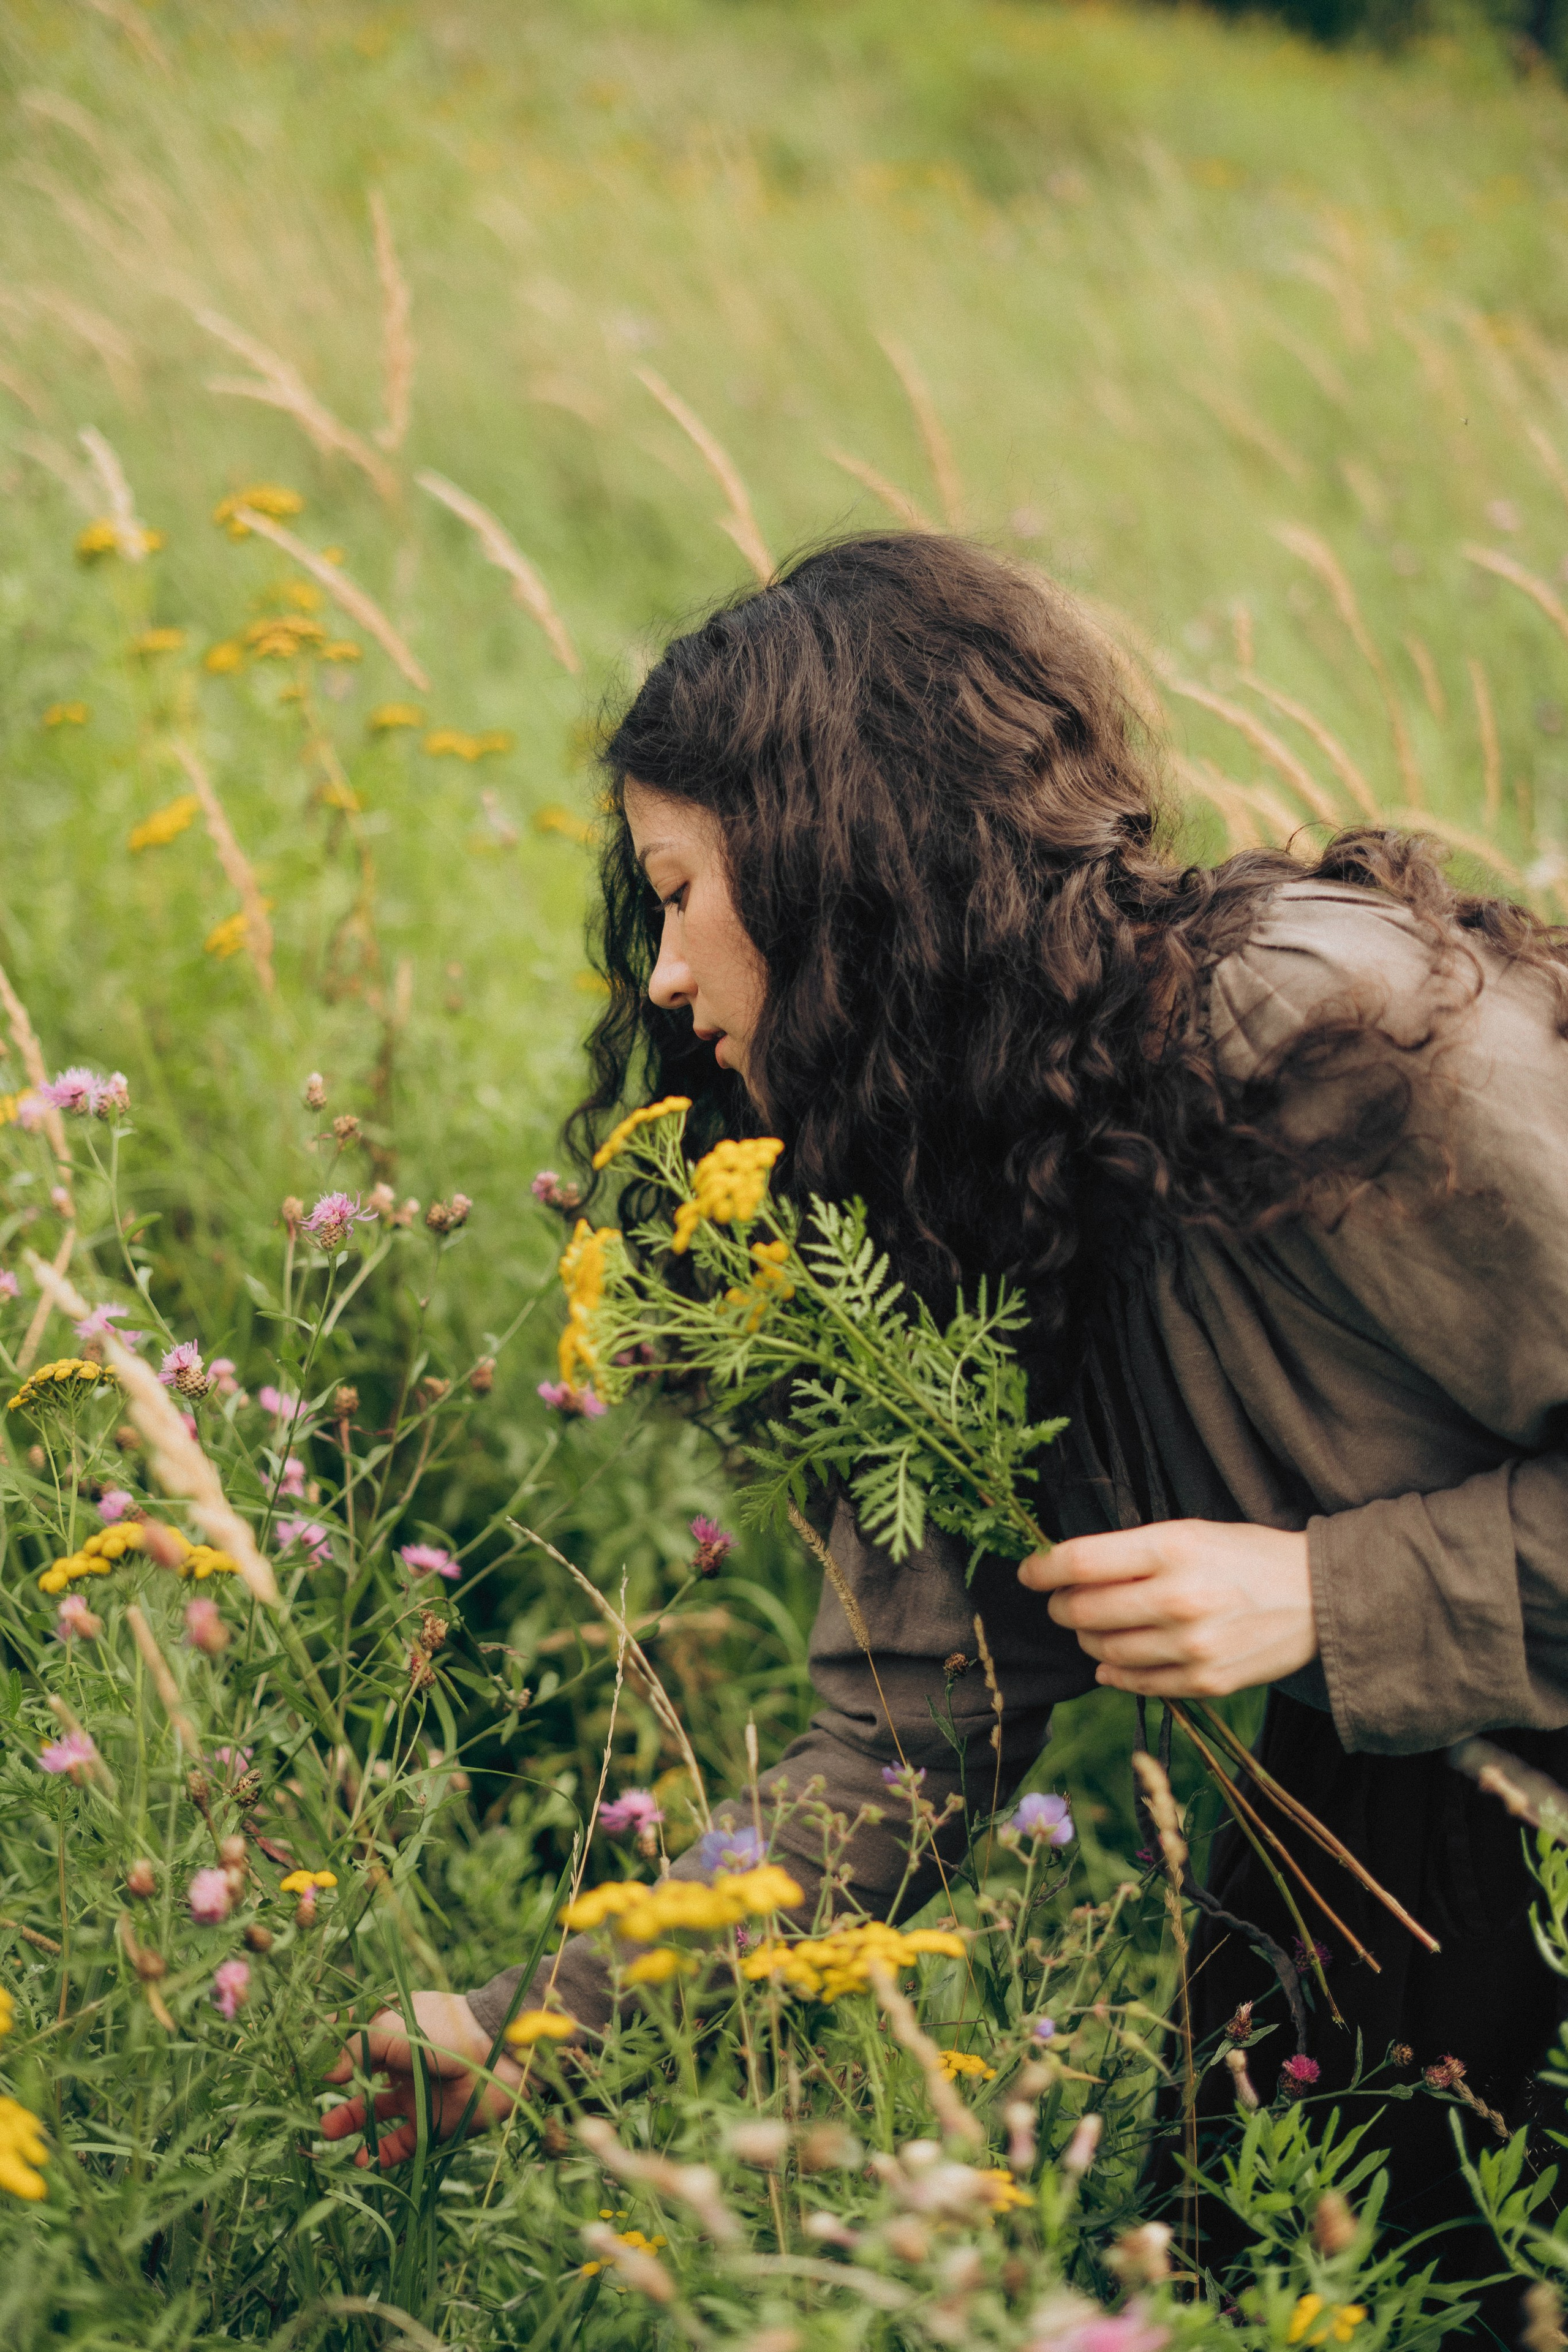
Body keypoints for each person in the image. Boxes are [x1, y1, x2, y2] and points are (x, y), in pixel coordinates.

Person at [320, 534, 1568, 2303]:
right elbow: (906, 1741)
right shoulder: (935, 1182)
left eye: (681, 892)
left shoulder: (1324, 1029)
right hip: (1390, 1832)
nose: (664, 980)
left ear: (845, 870)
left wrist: (1327, 1597)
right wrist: (542, 2023)